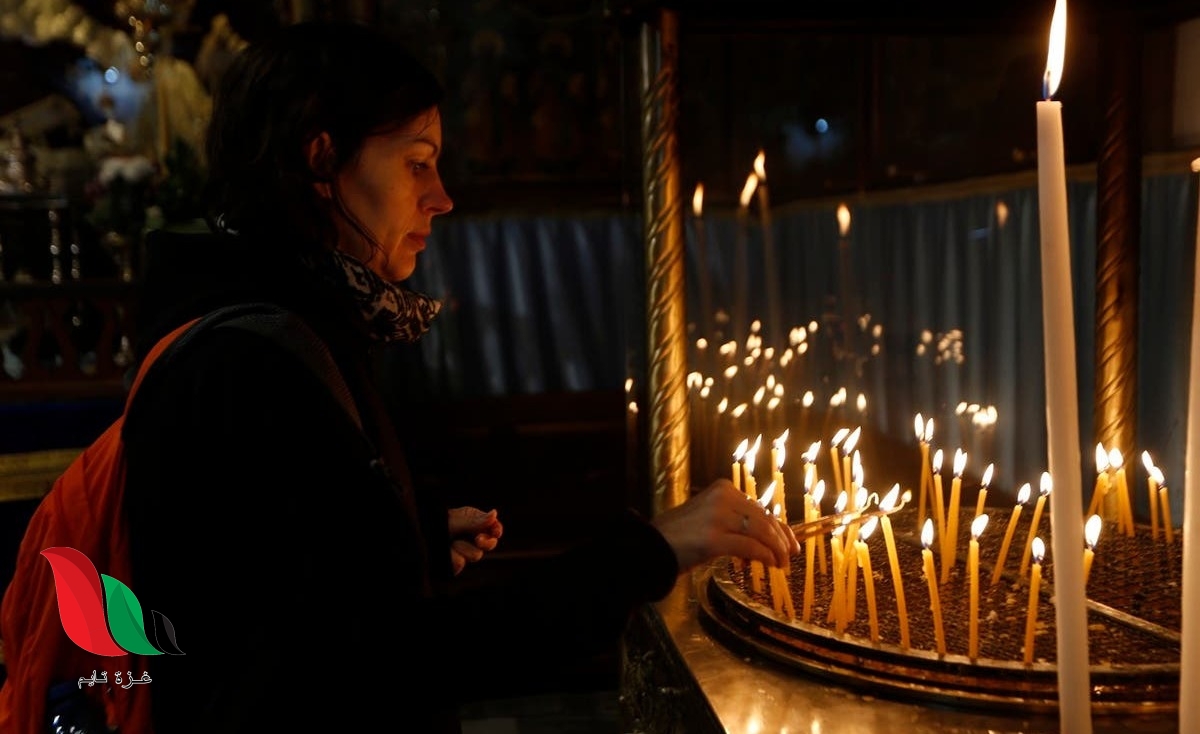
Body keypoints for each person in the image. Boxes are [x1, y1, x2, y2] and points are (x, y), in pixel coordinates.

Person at [6, 20, 799, 734]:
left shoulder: (276, 318)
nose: (442, 198)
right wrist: (653, 549)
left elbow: (273, 577)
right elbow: (377, 665)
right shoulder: (249, 364)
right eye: (417, 164)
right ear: (322, 159)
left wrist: (401, 535)